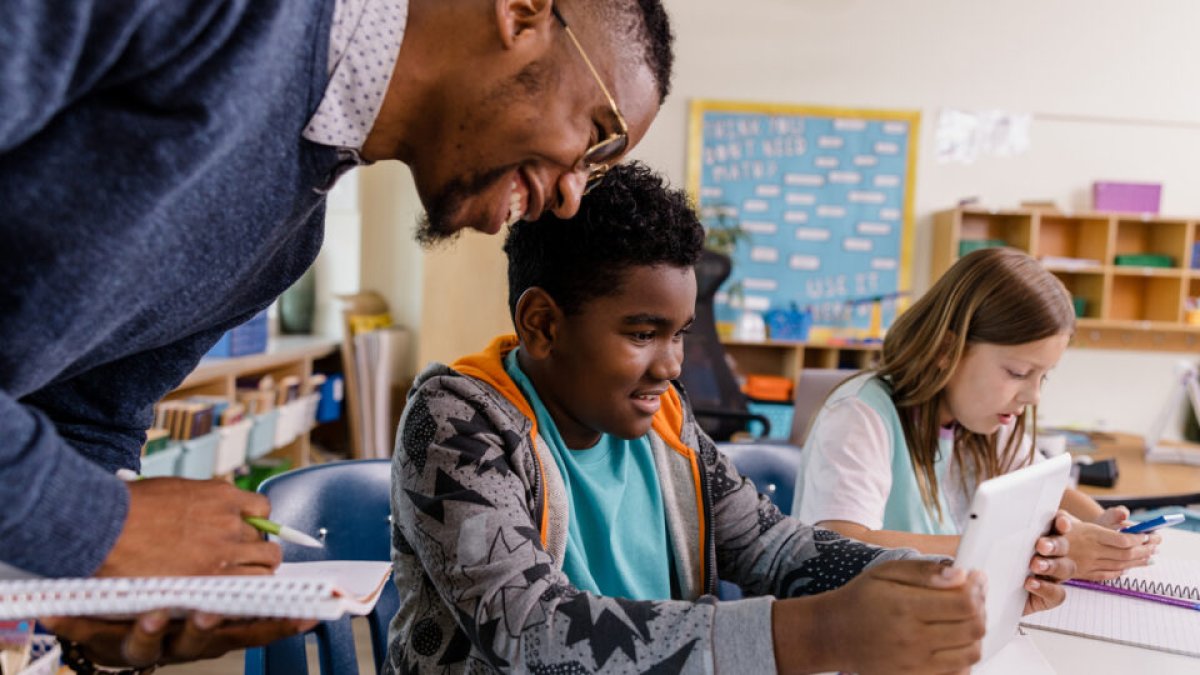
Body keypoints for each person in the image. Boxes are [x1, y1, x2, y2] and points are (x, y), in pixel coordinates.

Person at [1, 0, 673, 668]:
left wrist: (97, 590)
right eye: (598, 136)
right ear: (522, 14)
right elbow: (84, 507)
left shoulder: (286, 239)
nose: (573, 197)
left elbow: (86, 416)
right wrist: (99, 526)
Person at [388, 163, 1073, 674]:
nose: (672, 364)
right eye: (642, 332)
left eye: (680, 333)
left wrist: (933, 581)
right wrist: (817, 631)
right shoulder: (455, 420)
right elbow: (527, 628)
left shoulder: (665, 425)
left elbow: (777, 546)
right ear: (542, 323)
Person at [792, 247, 1159, 582]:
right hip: (853, 629)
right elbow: (843, 543)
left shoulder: (987, 421)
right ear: (947, 350)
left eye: (1043, 376)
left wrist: (1103, 528)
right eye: (1017, 373)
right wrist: (1027, 545)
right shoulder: (860, 415)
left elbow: (1048, 489)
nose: (1032, 396)